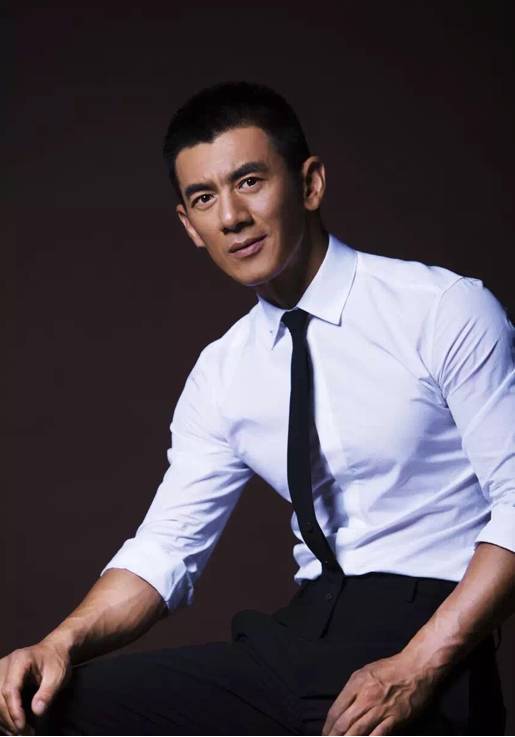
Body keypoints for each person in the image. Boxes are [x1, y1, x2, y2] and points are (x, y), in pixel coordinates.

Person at [1, 80, 514, 736]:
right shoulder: (223, 370)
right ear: (189, 225)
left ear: (309, 184)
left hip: (428, 632)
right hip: (295, 638)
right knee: (42, 710)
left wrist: (418, 665)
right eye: (204, 198)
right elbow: (166, 548)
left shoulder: (441, 309)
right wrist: (59, 642)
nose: (231, 217)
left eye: (249, 181)